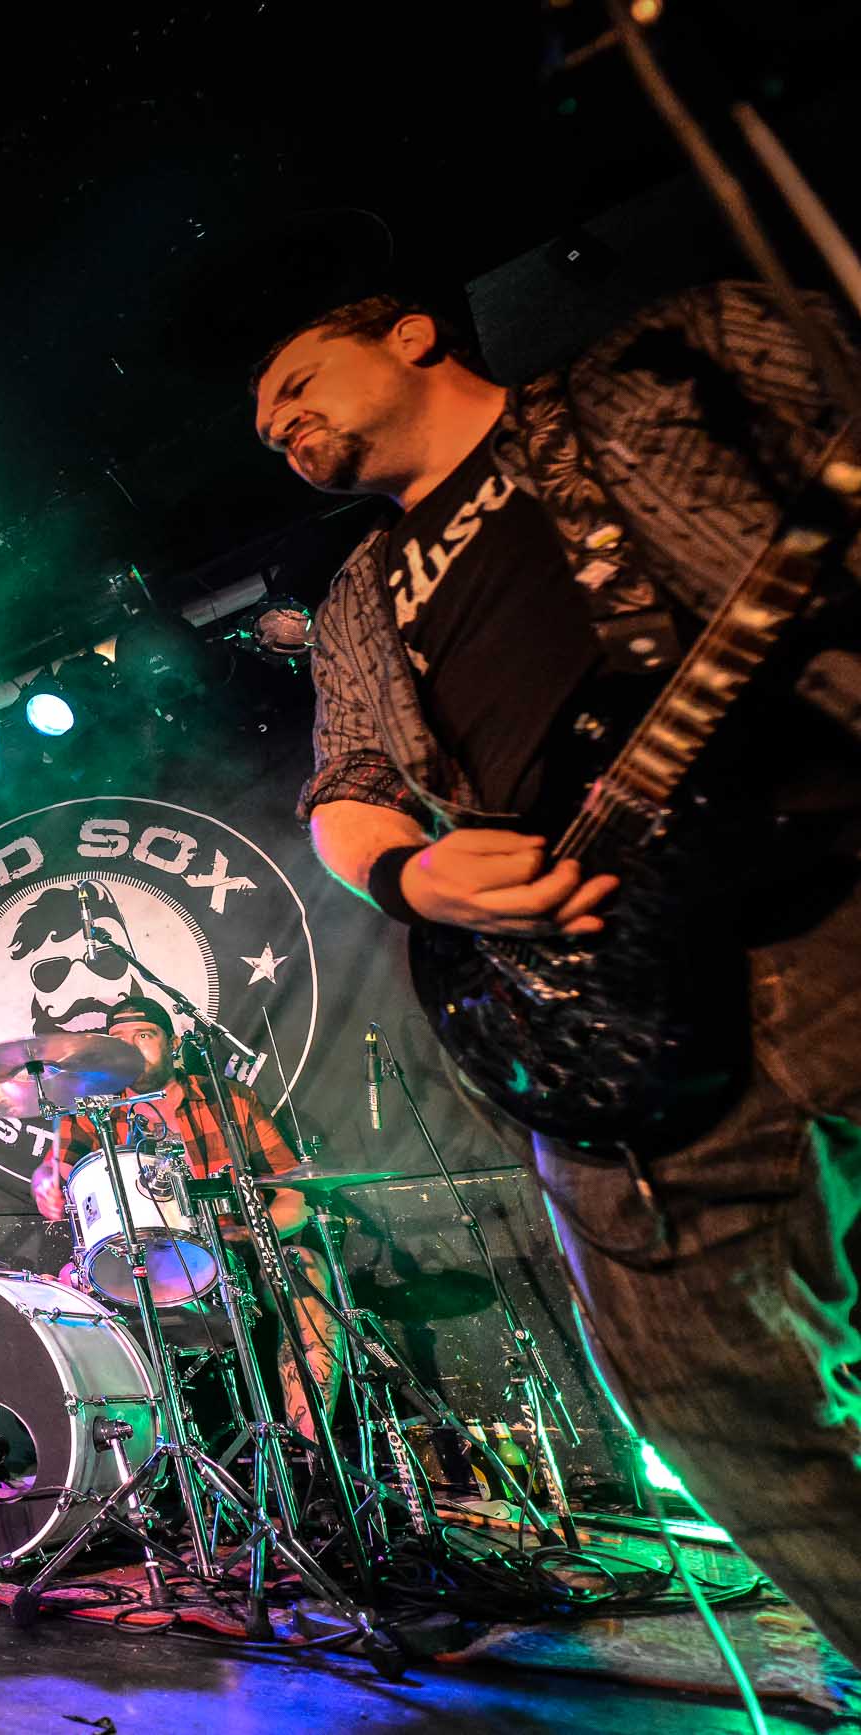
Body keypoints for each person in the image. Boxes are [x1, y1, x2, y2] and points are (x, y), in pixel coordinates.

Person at [256, 282, 861, 1658]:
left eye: (295, 380)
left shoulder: (653, 373)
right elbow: (346, 792)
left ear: (409, 333)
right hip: (607, 999)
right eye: (265, 424)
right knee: (696, 1385)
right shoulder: (356, 595)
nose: (278, 424)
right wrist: (413, 876)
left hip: (828, 884)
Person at [30, 997, 338, 1443]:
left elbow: (294, 1197)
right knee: (58, 1290)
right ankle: (116, 1454)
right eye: (119, 1040)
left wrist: (249, 1234)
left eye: (144, 1035)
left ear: (173, 1044)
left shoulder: (229, 1099)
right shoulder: (93, 1111)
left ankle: (314, 1451)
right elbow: (54, 1180)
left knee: (306, 1268)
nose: (131, 1047)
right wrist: (44, 1179)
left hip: (232, 1254)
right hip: (129, 1264)